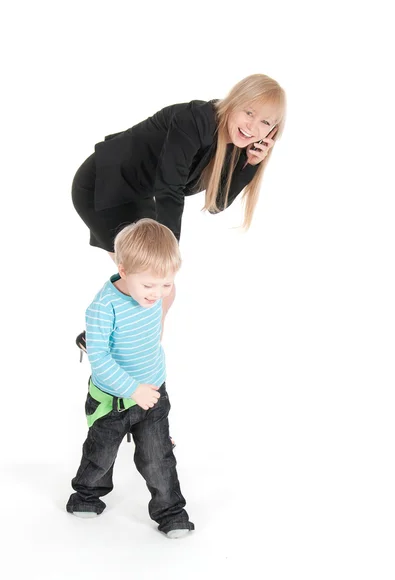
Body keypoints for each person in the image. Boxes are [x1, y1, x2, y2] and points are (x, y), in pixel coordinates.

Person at [72, 73, 286, 354]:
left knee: (159, 290)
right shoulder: (195, 120)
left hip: (136, 195)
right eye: (249, 112)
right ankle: (130, 359)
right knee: (155, 285)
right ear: (234, 102)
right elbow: (169, 189)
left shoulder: (235, 145)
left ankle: (115, 347)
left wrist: (252, 163)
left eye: (266, 123)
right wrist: (167, 256)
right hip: (104, 185)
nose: (253, 127)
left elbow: (216, 203)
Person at [66, 219, 194, 539]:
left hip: (152, 393)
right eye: (149, 285)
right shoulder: (103, 307)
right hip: (113, 399)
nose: (157, 293)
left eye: (165, 284)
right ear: (123, 270)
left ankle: (170, 512)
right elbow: (101, 361)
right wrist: (132, 389)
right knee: (101, 453)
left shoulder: (157, 293)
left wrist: (148, 394)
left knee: (157, 457)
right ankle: (86, 495)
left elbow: (156, 325)